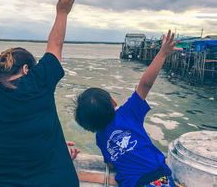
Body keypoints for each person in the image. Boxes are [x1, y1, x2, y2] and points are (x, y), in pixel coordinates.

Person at [0, 0, 80, 187]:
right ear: (25, 69)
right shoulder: (36, 81)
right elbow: (55, 45)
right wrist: (62, 12)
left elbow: (2, 138)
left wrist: (53, 145)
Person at [74, 30, 181, 187]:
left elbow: (111, 165)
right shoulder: (127, 113)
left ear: (89, 126)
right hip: (159, 177)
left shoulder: (100, 138)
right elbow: (145, 84)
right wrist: (162, 54)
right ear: (113, 101)